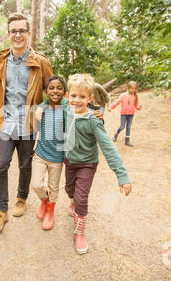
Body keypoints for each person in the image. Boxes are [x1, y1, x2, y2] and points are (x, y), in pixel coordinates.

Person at [0, 13, 53, 233]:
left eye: (22, 30)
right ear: (9, 34)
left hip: (29, 124)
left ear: (29, 34)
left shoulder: (41, 62)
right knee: (0, 165)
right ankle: (1, 210)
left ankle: (21, 198)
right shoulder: (1, 62)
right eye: (14, 31)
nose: (18, 35)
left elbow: (54, 91)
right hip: (5, 123)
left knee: (25, 165)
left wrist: (47, 106)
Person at [63, 73, 132, 254]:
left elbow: (108, 147)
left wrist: (121, 174)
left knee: (81, 198)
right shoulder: (65, 111)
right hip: (69, 161)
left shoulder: (94, 121)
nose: (77, 100)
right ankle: (72, 202)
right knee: (69, 190)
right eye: (74, 96)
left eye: (82, 97)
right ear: (67, 96)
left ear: (90, 98)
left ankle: (79, 232)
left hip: (87, 164)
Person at [31, 76, 67, 230]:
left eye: (59, 88)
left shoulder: (67, 109)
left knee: (54, 186)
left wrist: (96, 114)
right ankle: (44, 201)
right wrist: (41, 105)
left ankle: (50, 211)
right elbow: (35, 129)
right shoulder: (42, 108)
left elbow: (83, 108)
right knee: (36, 184)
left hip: (57, 157)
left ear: (65, 92)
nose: (55, 91)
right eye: (51, 88)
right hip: (41, 153)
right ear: (45, 91)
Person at [108, 80, 142, 147]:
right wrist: (110, 107)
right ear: (128, 88)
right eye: (131, 88)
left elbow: (136, 105)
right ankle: (116, 134)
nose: (133, 90)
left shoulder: (135, 96)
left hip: (131, 114)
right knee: (122, 126)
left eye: (134, 89)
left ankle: (127, 141)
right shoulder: (124, 95)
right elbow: (117, 102)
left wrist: (138, 107)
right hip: (124, 114)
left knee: (128, 127)